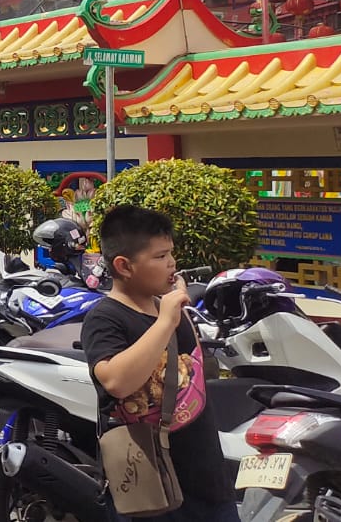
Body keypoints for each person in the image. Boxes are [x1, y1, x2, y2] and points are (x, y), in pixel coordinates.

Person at [83, 206, 236, 522]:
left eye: (171, 254)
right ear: (124, 266)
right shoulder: (105, 318)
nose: (172, 264)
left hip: (207, 481)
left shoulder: (168, 310)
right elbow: (116, 382)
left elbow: (194, 368)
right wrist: (167, 319)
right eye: (160, 256)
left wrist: (174, 315)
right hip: (150, 488)